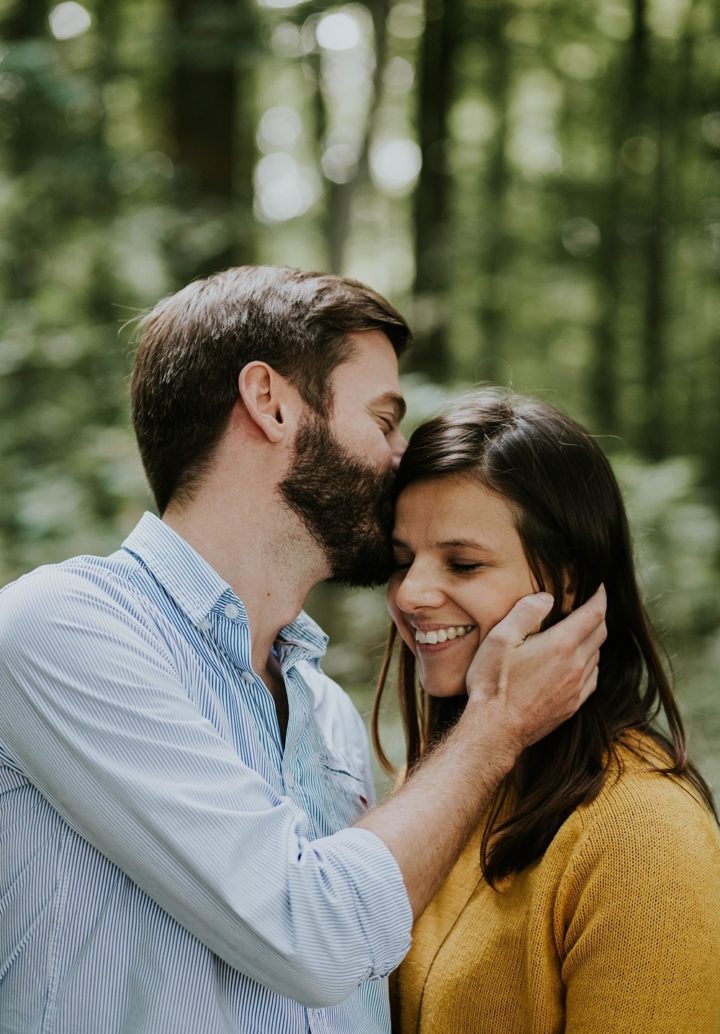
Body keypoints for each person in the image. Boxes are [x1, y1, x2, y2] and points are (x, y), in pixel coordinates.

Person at [0, 267, 606, 1034]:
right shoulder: (62, 631)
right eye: (383, 419)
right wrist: (495, 724)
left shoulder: (326, 713)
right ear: (272, 403)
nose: (397, 457)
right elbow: (314, 933)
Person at [372, 388, 720, 1034]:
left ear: (564, 582)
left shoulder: (644, 834)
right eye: (402, 561)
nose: (411, 593)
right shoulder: (439, 786)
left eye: (463, 562)